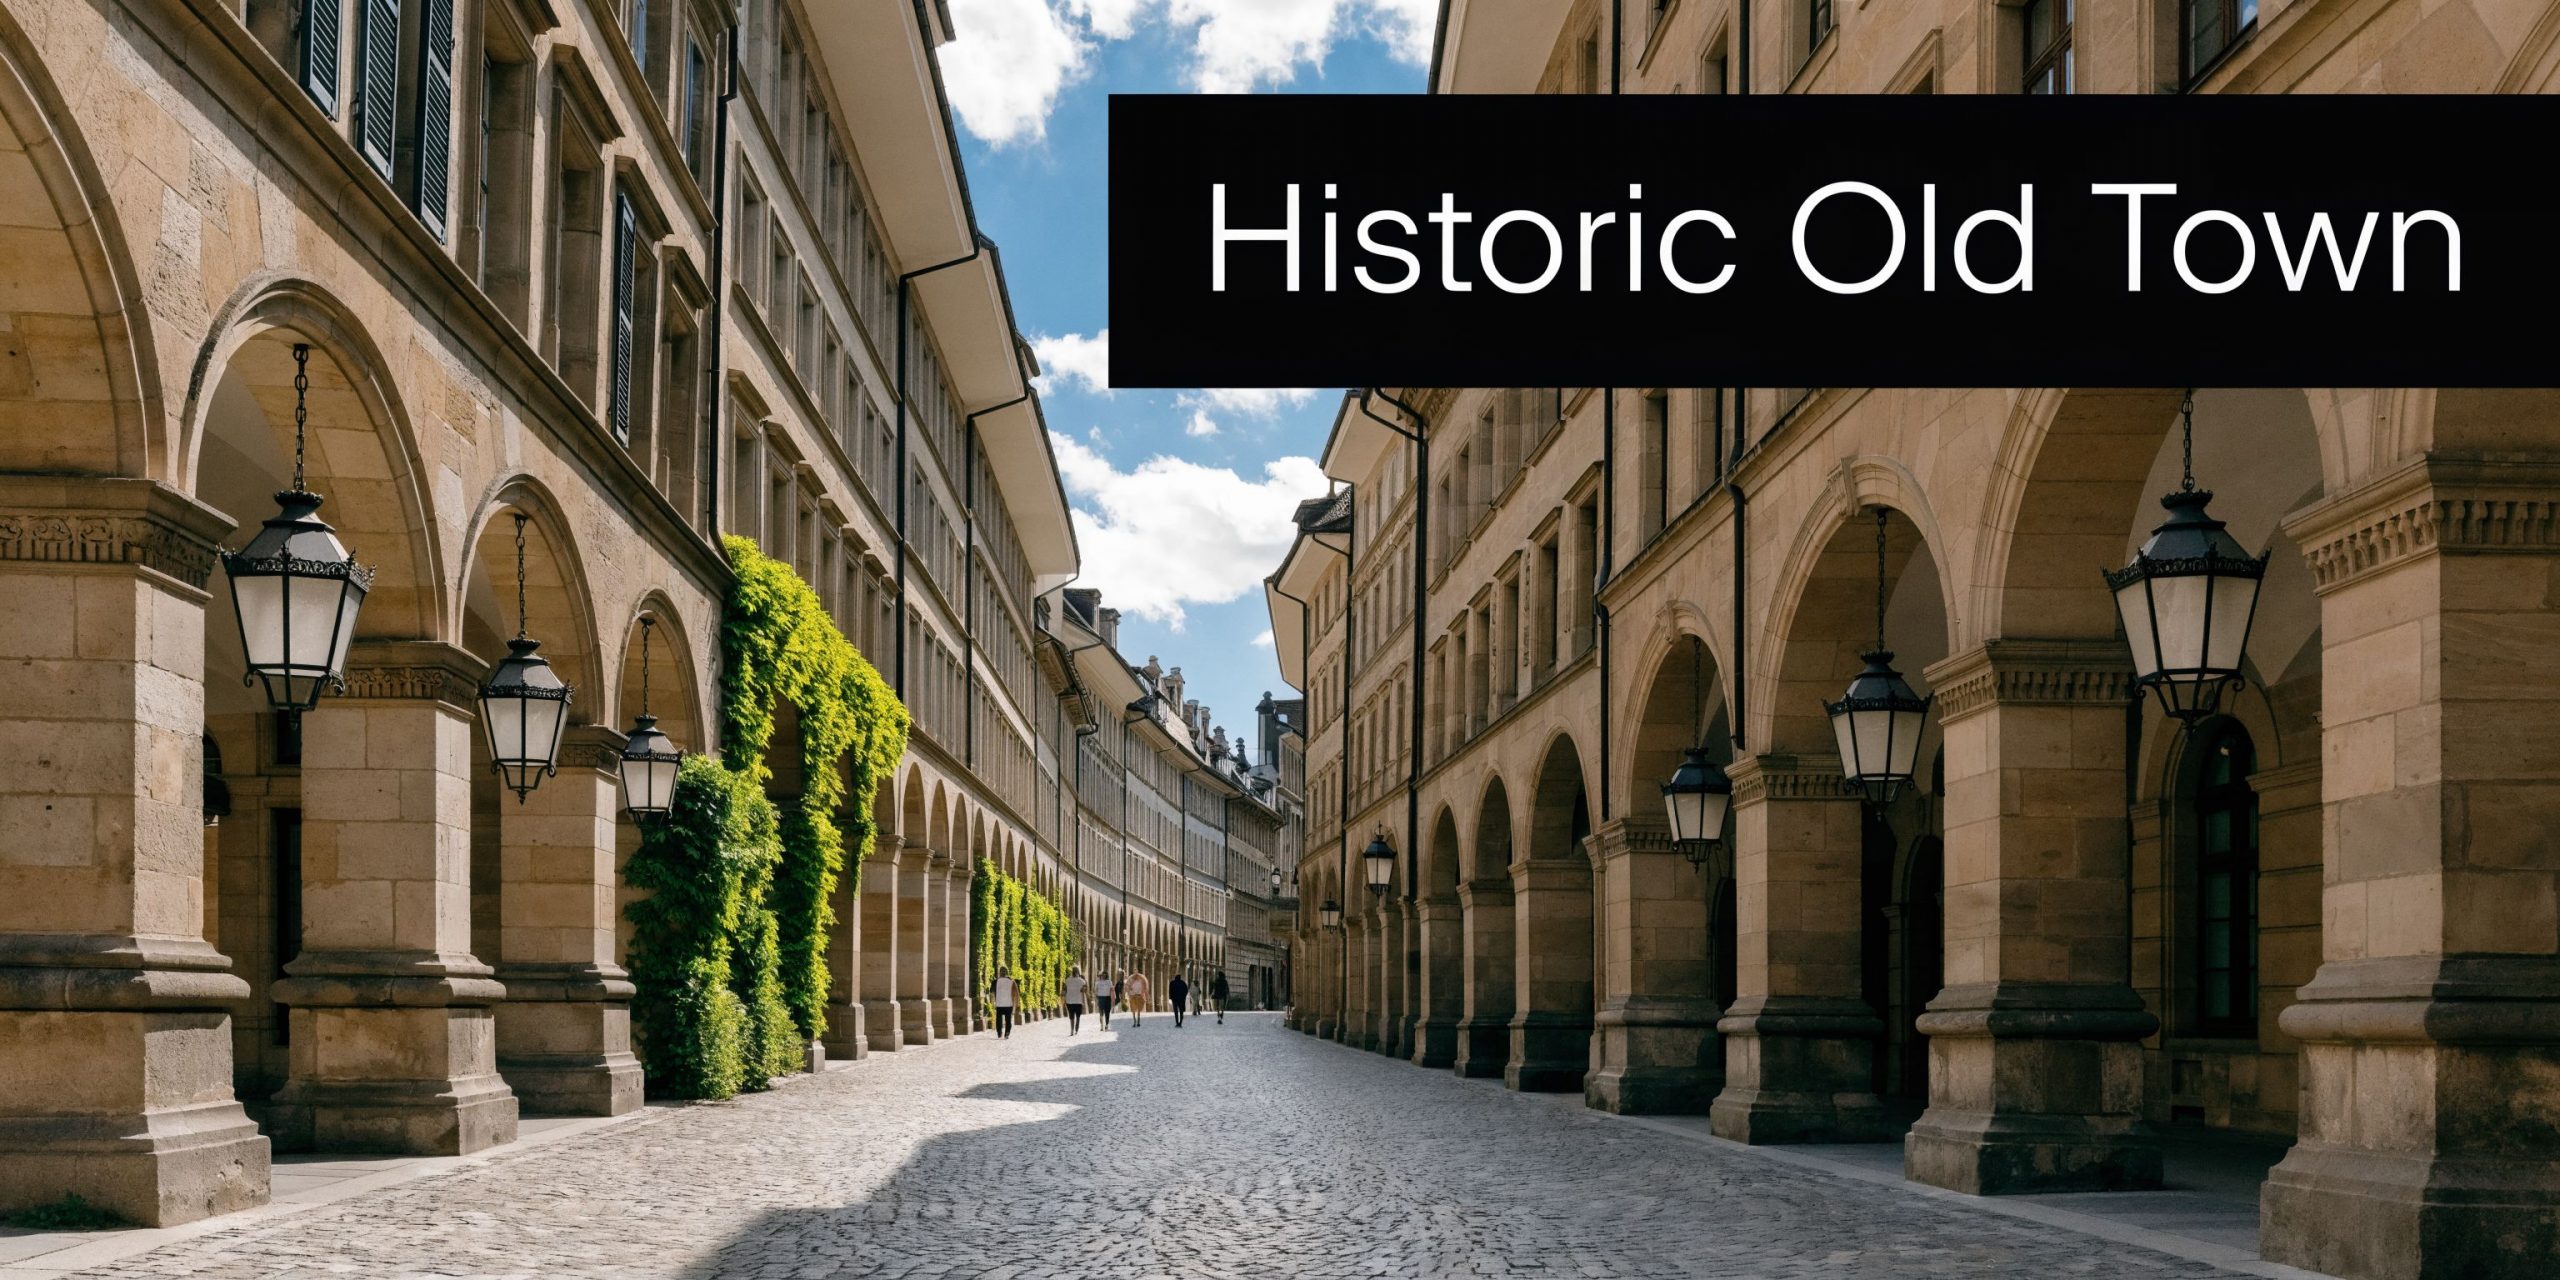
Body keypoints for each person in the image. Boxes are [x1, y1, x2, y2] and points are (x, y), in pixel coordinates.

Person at [990, 966, 1018, 1039]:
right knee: (1008, 1020)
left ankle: (999, 1033)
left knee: (998, 1020)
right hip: (1009, 1004)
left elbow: (992, 993)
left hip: (999, 1004)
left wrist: (993, 1003)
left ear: (999, 972)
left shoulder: (995, 982)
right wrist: (1015, 1005)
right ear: (1007, 972)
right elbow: (1016, 994)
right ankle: (1007, 1033)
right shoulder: (1012, 981)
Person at [1062, 967, 1087, 1035]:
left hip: (1069, 1001)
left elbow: (1064, 990)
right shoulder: (1082, 981)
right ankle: (1077, 1028)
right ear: (1078, 972)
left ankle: (1072, 1030)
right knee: (1078, 1016)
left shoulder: (1067, 980)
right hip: (1078, 1001)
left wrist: (1063, 996)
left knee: (1071, 1016)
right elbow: (1084, 991)